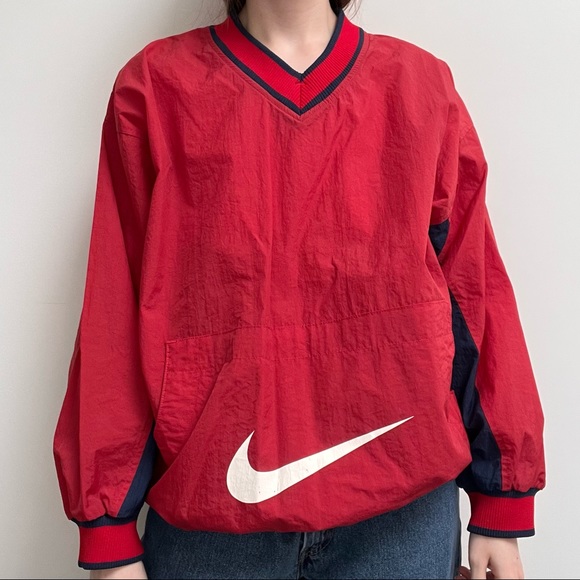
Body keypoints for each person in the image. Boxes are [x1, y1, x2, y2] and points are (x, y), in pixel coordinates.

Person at [52, 0, 546, 578]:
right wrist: (108, 531)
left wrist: (501, 499)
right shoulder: (155, 88)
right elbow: (114, 309)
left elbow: (474, 294)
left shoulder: (420, 86)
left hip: (400, 515)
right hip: (213, 525)